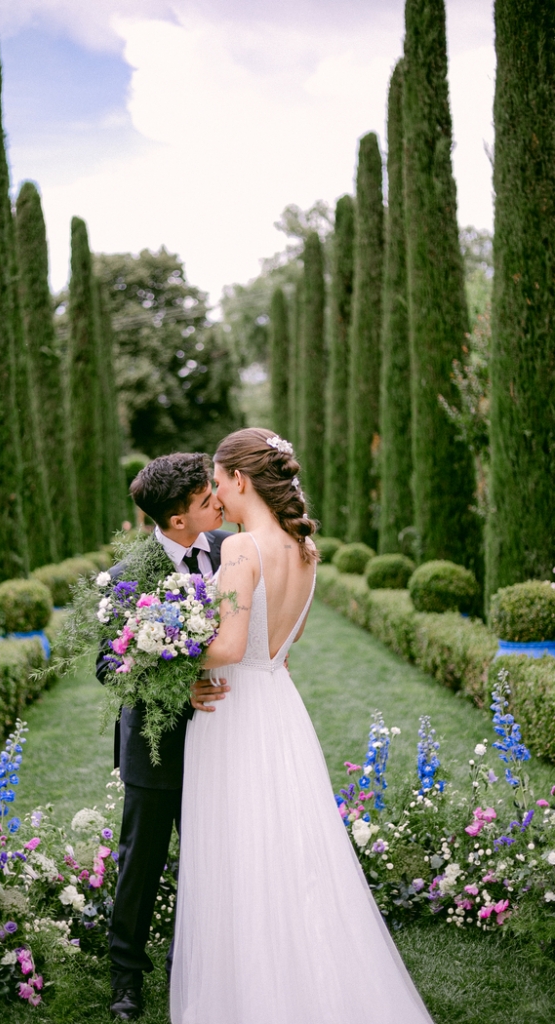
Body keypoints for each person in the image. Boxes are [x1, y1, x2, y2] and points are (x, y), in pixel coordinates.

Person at [171, 427, 434, 1024]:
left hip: (234, 711)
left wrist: (161, 653)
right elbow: (281, 649)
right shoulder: (303, 550)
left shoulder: (241, 550)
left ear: (240, 480)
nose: (217, 497)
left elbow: (231, 645)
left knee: (239, 851)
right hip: (281, 708)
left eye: (217, 484)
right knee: (289, 849)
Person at [96, 452, 229, 1022]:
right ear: (178, 520)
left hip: (224, 740)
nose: (217, 501)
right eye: (205, 498)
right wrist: (178, 692)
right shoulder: (131, 572)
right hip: (156, 748)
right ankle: (126, 975)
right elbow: (107, 666)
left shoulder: (228, 550)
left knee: (212, 858)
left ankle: (199, 962)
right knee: (140, 863)